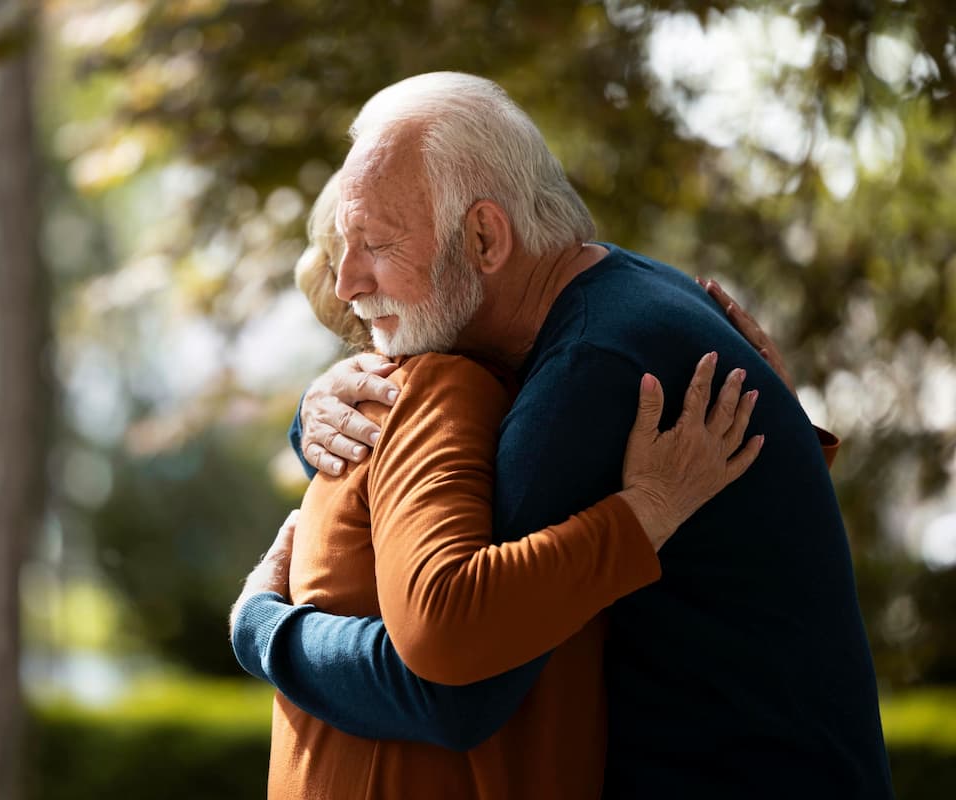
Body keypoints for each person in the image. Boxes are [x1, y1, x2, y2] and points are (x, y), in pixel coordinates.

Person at [231, 72, 893, 799]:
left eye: (375, 244)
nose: (350, 280)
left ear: (485, 236)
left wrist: (262, 630)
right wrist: (315, 417)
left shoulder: (593, 371)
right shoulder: (626, 294)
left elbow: (454, 682)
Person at [233, 173, 761, 799]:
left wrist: (260, 629)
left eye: (378, 245)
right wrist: (261, 630)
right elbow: (447, 688)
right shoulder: (436, 391)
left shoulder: (481, 402)